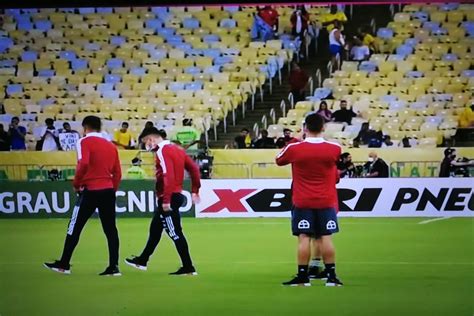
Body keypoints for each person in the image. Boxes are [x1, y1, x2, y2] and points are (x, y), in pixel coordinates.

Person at [44, 115, 122, 276]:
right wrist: (112, 190)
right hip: (107, 190)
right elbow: (117, 172)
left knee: (75, 227)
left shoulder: (84, 142)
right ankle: (113, 266)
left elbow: (84, 163)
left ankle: (64, 263)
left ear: (85, 127)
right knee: (110, 230)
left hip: (90, 190)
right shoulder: (111, 146)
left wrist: (76, 183)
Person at [276, 113, 343, 287]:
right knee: (325, 237)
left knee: (304, 237)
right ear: (323, 127)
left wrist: (296, 139)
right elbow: (335, 171)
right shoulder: (334, 148)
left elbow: (279, 160)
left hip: (303, 200)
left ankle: (303, 276)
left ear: (305, 128)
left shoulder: (295, 149)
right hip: (326, 200)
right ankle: (332, 277)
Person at [125, 127, 201, 275]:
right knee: (155, 230)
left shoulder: (162, 151)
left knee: (174, 232)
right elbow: (194, 169)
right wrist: (194, 190)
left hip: (169, 198)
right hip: (175, 195)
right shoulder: (178, 149)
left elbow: (168, 176)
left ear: (151, 139)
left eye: (146, 143)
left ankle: (188, 266)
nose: (147, 146)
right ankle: (142, 260)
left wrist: (165, 200)